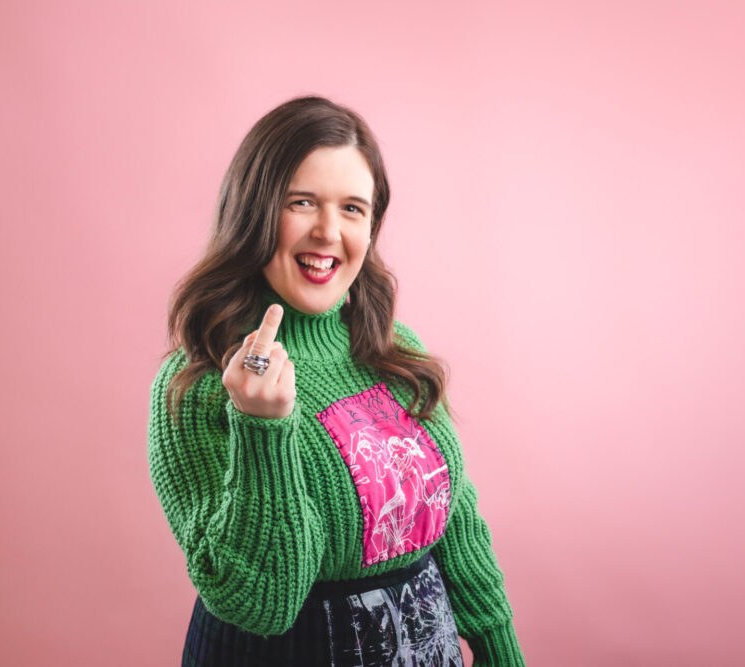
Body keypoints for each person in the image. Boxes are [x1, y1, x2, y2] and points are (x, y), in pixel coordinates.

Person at [147, 95, 525, 666]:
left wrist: (500, 650)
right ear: (253, 211)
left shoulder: (394, 351)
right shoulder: (199, 382)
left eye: (352, 208)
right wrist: (262, 428)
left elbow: (456, 516)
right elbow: (260, 602)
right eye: (302, 202)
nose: (328, 231)